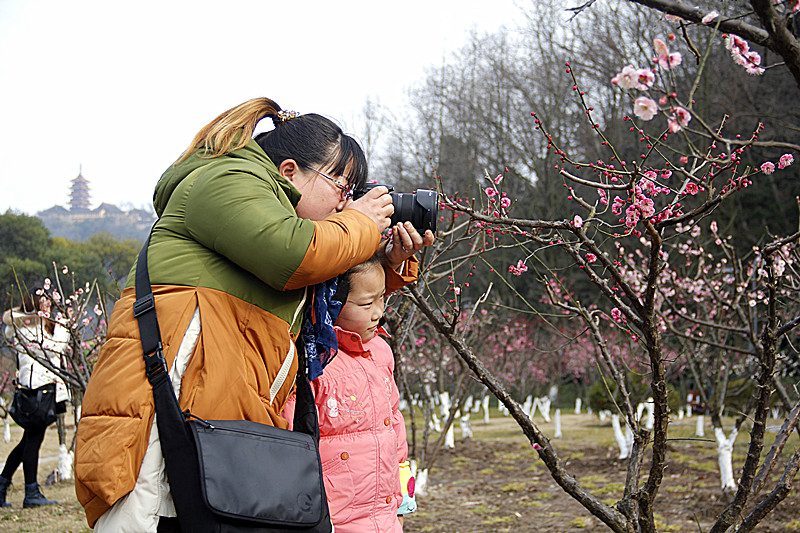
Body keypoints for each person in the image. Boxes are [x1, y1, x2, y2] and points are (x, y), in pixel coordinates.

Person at [74, 97, 434, 532]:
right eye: (340, 188)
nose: (344, 205)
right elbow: (296, 254)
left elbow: (336, 302)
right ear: (289, 172)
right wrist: (361, 224)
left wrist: (392, 262)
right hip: (161, 405)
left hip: (210, 408)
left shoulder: (279, 219)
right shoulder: (224, 179)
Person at [282, 254, 417, 532]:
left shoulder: (381, 351)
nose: (379, 312)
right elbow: (291, 441)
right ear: (331, 301)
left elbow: (396, 433)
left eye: (382, 298)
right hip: (334, 520)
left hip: (386, 516)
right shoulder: (313, 361)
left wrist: (403, 503)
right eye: (367, 303)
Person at [1, 288, 69, 508]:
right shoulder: (23, 325)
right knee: (32, 440)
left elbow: (61, 345)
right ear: (34, 303)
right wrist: (31, 317)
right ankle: (31, 492)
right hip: (34, 389)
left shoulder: (53, 324)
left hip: (50, 388)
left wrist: (47, 322)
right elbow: (7, 319)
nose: (47, 306)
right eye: (44, 302)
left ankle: (4, 485)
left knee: (29, 440)